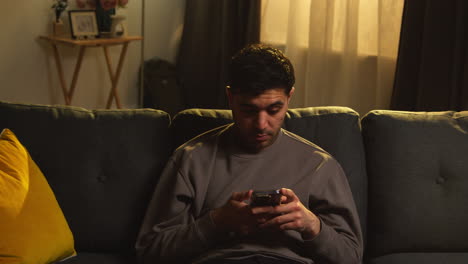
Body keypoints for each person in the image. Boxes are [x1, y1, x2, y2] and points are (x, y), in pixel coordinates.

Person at [136, 44, 363, 264]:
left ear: (289, 97)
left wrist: (312, 225)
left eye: (274, 109)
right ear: (230, 98)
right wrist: (216, 222)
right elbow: (151, 252)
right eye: (249, 110)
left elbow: (350, 256)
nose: (261, 124)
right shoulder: (190, 159)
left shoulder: (319, 165)